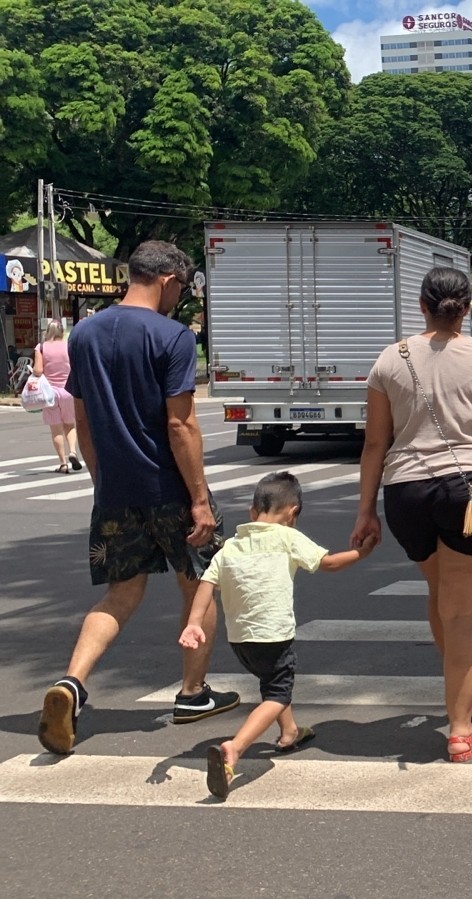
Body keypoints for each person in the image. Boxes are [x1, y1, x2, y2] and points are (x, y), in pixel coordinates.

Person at [37, 240, 238, 756]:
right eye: (182, 288)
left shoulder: (85, 333)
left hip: (116, 489)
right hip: (169, 484)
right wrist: (198, 498)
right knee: (199, 583)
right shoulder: (172, 337)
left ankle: (72, 684)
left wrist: (102, 480)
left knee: (120, 594)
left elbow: (83, 421)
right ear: (169, 279)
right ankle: (192, 693)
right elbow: (180, 423)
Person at [350, 267, 472, 763]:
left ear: (421, 305)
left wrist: (365, 510)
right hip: (469, 490)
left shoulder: (392, 358)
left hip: (405, 493)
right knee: (466, 612)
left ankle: (463, 688)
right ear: (468, 306)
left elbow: (374, 443)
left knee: (439, 595)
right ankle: (459, 728)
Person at [179, 472, 377, 800]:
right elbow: (327, 564)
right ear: (292, 513)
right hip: (274, 636)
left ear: (251, 510)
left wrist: (194, 622)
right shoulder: (287, 537)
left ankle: (290, 732)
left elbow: (207, 583)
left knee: (270, 680)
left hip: (241, 639)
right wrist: (362, 554)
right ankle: (235, 749)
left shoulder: (231, 546)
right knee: (278, 695)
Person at [32, 319, 82, 473]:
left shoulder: (41, 347)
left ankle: (63, 462)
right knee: (69, 424)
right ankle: (73, 451)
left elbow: (38, 370)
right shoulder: (69, 346)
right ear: (62, 331)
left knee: (56, 429)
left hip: (50, 393)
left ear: (48, 331)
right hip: (68, 391)